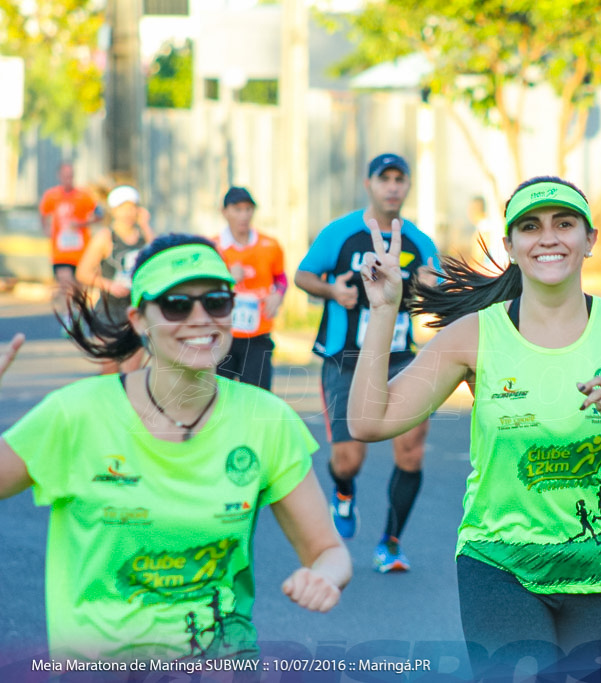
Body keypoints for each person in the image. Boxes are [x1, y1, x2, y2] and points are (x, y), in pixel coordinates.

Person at [346, 175, 601, 676]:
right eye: (530, 226)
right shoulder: (476, 336)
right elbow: (368, 421)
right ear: (511, 245)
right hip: (499, 566)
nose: (548, 237)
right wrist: (383, 310)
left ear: (589, 239)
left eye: (563, 223)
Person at [0, 234, 351, 662]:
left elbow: (329, 551)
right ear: (138, 318)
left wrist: (325, 577)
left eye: (217, 301)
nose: (201, 318)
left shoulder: (266, 420)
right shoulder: (76, 415)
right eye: (177, 305)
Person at [294, 153, 440, 573]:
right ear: (368, 184)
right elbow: (305, 275)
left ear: (408, 185)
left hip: (401, 361)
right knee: (348, 460)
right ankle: (343, 492)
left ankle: (390, 544)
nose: (393, 186)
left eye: (400, 178)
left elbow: (436, 287)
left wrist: (432, 290)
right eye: (385, 178)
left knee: (411, 453)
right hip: (346, 361)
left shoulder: (419, 241)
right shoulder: (340, 233)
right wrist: (332, 291)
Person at [214, 187, 287, 391]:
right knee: (221, 400)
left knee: (257, 400)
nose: (244, 215)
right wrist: (226, 277)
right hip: (223, 335)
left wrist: (278, 295)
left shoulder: (270, 245)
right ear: (225, 211)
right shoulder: (213, 247)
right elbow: (201, 289)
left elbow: (281, 277)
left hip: (258, 335)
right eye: (237, 209)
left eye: (248, 209)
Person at [76, 185, 153, 374]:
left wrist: (145, 225)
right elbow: (83, 272)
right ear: (114, 210)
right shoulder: (105, 237)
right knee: (109, 373)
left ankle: (128, 402)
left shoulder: (144, 235)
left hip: (136, 311)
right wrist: (109, 285)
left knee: (131, 372)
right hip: (109, 312)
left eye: (132, 207)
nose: (128, 213)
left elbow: (158, 257)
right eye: (122, 208)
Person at [38, 162, 98, 325]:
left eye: (71, 176)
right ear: (59, 177)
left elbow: (98, 214)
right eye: (65, 176)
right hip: (61, 251)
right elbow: (43, 213)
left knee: (78, 288)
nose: (68, 179)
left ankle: (78, 313)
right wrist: (46, 229)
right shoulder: (51, 196)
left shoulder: (83, 196)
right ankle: (68, 318)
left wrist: (82, 223)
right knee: (66, 284)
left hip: (81, 251)